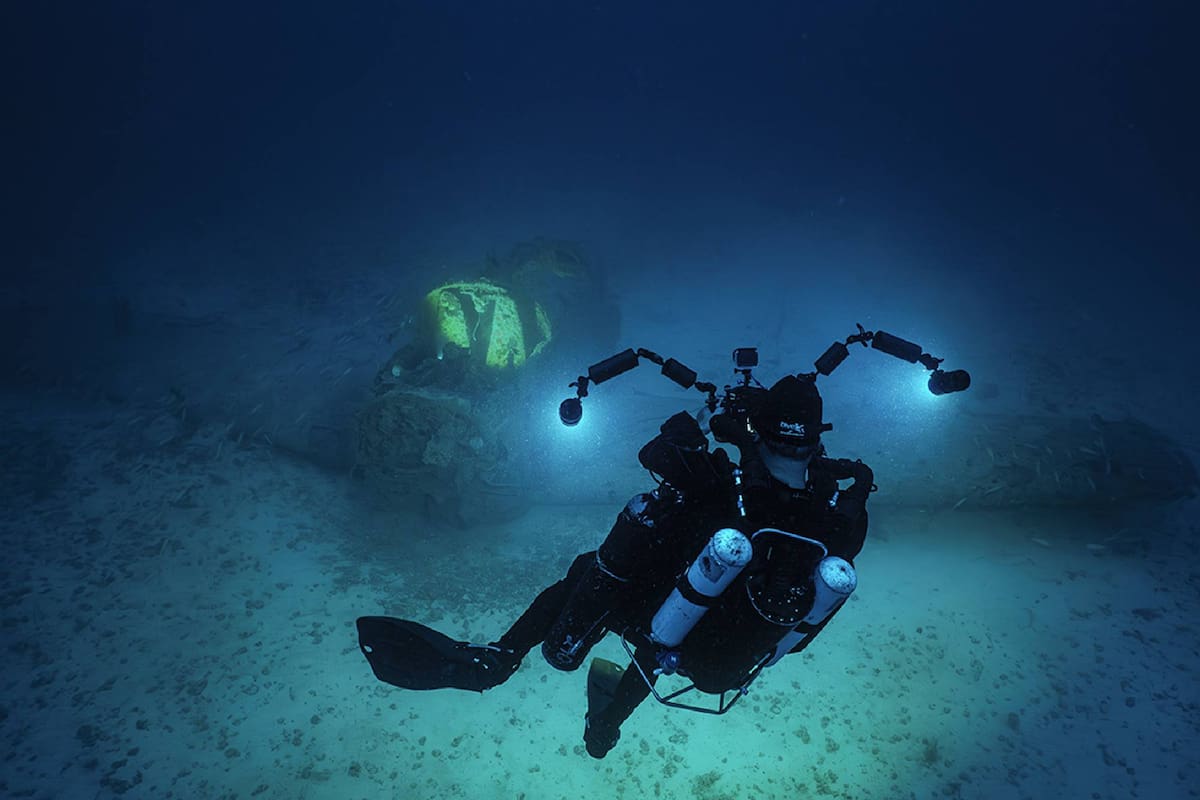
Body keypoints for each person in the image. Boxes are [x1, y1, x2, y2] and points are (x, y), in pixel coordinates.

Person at [356, 373, 874, 759]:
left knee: (597, 571)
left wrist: (695, 436)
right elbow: (842, 553)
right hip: (726, 658)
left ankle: (498, 661)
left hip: (662, 613)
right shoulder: (831, 514)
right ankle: (605, 728)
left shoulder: (720, 485)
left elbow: (656, 454)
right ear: (816, 441)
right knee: (673, 631)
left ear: (759, 431)